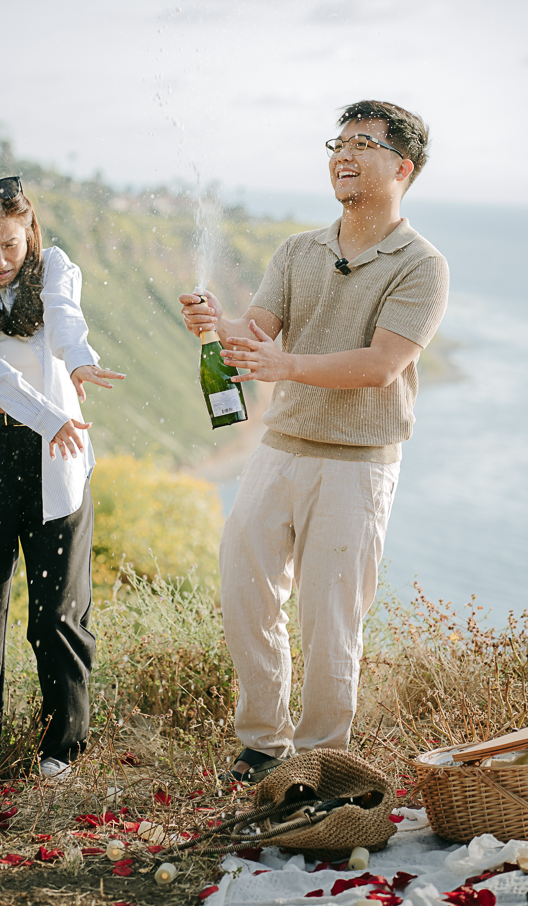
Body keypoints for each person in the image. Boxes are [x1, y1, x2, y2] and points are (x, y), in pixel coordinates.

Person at [180, 100, 449, 785]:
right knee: (245, 588)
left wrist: (286, 366)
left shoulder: (421, 265)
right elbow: (258, 329)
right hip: (279, 450)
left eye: (364, 142)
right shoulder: (300, 249)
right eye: (339, 142)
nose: (344, 154)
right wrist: (219, 325)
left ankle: (321, 756)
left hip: (356, 467)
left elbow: (381, 365)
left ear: (402, 167)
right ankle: (263, 744)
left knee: (330, 622)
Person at [0, 175, 124, 778]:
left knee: (58, 611)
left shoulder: (55, 267)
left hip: (59, 459)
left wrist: (84, 361)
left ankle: (60, 752)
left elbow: (64, 319)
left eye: (11, 244)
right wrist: (49, 415)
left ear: (29, 232)